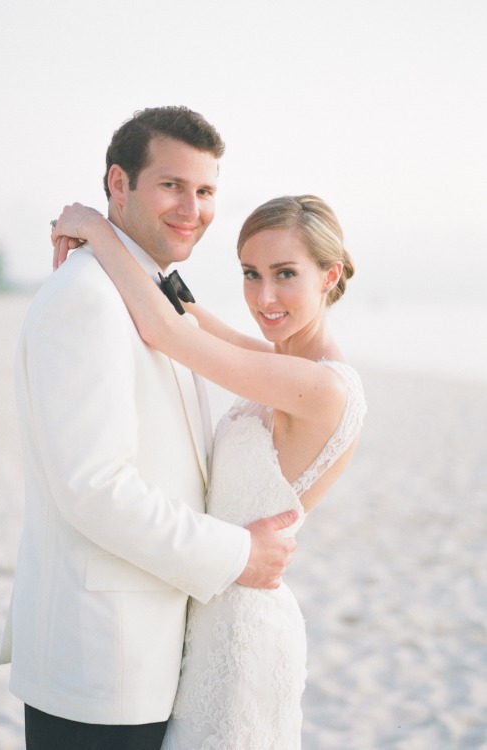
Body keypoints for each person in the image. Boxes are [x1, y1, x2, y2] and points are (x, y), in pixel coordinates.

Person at [0, 106, 299, 750]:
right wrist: (240, 554)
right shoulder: (87, 297)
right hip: (103, 658)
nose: (192, 207)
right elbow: (95, 487)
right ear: (119, 184)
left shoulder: (145, 291)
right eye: (171, 185)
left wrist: (88, 226)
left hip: (155, 653)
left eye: (206, 190)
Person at [51, 193, 367, 748]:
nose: (263, 297)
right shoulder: (289, 363)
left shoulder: (321, 386)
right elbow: (188, 317)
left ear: (329, 275)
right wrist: (129, 246)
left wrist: (94, 228)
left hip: (244, 635)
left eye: (285, 274)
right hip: (213, 610)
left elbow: (169, 334)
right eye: (251, 273)